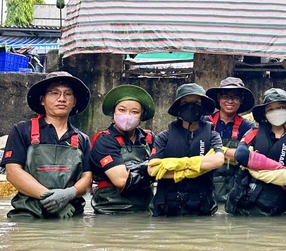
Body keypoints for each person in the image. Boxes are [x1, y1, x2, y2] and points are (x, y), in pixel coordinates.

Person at [1, 71, 92, 219]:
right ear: (42, 99)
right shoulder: (22, 130)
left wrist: (68, 194)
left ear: (74, 101)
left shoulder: (82, 138)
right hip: (28, 216)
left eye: (68, 94)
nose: (61, 99)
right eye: (54, 93)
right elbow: (12, 172)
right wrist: (50, 199)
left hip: (70, 217)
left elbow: (87, 178)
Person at [225, 88, 286, 216]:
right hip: (243, 207)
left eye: (281, 107)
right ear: (264, 114)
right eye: (270, 109)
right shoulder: (254, 133)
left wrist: (255, 164)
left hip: (277, 210)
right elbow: (241, 155)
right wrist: (281, 172)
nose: (276, 112)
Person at [147, 83, 225, 216]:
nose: (191, 105)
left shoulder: (212, 135)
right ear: (178, 107)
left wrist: (181, 165)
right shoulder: (164, 137)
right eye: (185, 102)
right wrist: (188, 171)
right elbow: (153, 169)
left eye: (196, 102)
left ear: (202, 107)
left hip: (201, 209)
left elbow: (218, 160)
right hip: (166, 210)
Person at [90, 85, 156, 214]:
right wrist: (151, 169)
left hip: (145, 210)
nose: (127, 116)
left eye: (134, 112)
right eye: (122, 110)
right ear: (113, 112)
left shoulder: (148, 139)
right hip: (111, 211)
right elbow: (121, 180)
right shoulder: (104, 140)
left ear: (141, 115)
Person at [205, 77, 256, 202]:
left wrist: (215, 151)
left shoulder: (247, 126)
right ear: (218, 98)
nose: (230, 101)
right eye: (226, 96)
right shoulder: (205, 123)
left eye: (235, 98)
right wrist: (231, 154)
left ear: (241, 101)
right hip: (208, 189)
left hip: (236, 189)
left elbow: (246, 157)